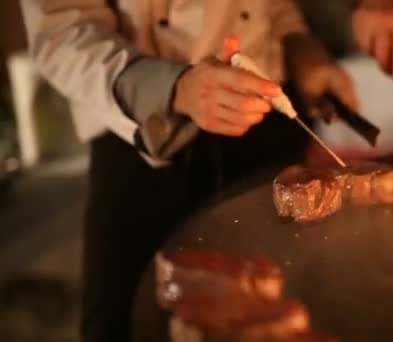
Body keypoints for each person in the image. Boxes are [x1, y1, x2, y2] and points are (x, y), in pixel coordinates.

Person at [18, 1, 360, 341]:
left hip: (264, 112)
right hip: (140, 129)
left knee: (301, 310)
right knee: (124, 324)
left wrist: (296, 41)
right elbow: (60, 31)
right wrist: (175, 88)